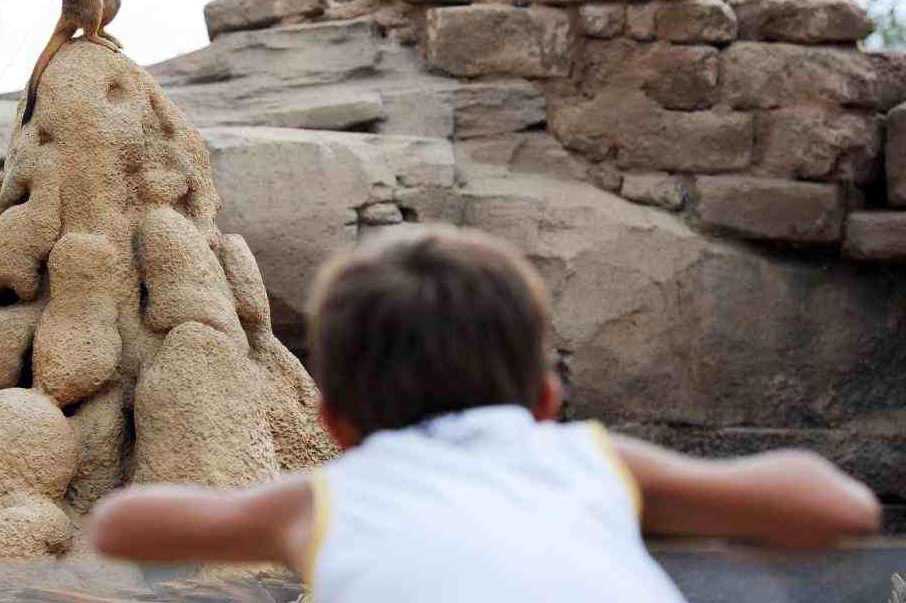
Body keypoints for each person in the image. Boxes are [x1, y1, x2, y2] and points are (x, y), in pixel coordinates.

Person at [91, 226, 881, 602]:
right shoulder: (593, 462)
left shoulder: (321, 499)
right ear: (546, 401)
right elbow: (838, 507)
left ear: (331, 423)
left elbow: (123, 526)